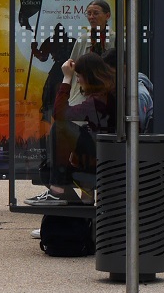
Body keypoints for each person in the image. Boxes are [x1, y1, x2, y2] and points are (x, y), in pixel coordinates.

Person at [36, 52, 116, 204]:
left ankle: (57, 190)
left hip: (99, 158)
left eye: (79, 76)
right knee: (47, 167)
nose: (78, 81)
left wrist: (67, 78)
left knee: (60, 127)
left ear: (89, 76)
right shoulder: (106, 93)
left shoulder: (97, 101)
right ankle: (82, 205)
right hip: (105, 153)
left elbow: (59, 114)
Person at [68, 0, 112, 104]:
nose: (91, 17)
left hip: (109, 94)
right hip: (82, 94)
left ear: (107, 16)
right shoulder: (82, 40)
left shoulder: (117, 40)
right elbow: (72, 69)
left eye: (96, 13)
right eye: (89, 14)